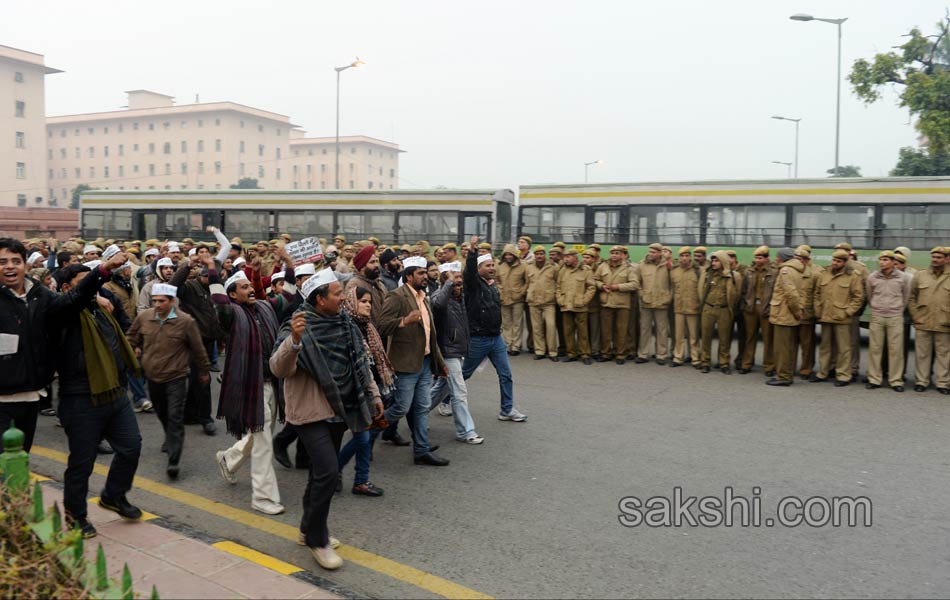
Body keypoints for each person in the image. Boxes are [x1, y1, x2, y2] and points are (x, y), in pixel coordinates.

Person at [271, 270, 384, 570]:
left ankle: (309, 527)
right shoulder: (297, 324)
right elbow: (278, 368)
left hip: (341, 407)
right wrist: (294, 342)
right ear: (319, 299)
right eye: (337, 293)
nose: (343, 297)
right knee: (329, 471)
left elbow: (360, 361)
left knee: (320, 473)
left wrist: (373, 396)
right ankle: (318, 540)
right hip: (309, 412)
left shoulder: (345, 323)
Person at [51, 254, 146, 539]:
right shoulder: (61, 312)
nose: (93, 290)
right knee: (82, 463)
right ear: (68, 288)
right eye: (84, 285)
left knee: (131, 446)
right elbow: (80, 295)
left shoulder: (101, 308)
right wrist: (103, 270)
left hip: (115, 395)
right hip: (80, 399)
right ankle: (75, 516)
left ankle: (114, 496)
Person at [210, 265, 284, 515]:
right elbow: (218, 303)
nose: (251, 289)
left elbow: (291, 297)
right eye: (244, 287)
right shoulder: (231, 314)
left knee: (260, 434)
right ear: (232, 294)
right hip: (251, 387)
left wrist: (286, 264)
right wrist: (212, 270)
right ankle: (262, 497)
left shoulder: (264, 307)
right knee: (264, 442)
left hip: (271, 382)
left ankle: (228, 459)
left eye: (251, 286)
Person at [127, 283, 210, 478]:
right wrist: (133, 348)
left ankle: (174, 460)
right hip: (153, 376)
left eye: (162, 301)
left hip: (177, 376)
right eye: (155, 300)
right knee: (162, 412)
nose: (157, 304)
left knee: (175, 415)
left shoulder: (186, 321)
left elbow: (198, 349)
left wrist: (204, 370)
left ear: (172, 302)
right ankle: (169, 435)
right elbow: (130, 337)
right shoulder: (144, 317)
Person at [378, 256, 450, 465]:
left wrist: (440, 363)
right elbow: (381, 325)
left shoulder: (423, 298)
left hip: (425, 362)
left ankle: (421, 450)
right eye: (420, 273)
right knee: (401, 407)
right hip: (405, 363)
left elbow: (430, 334)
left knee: (421, 407)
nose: (425, 276)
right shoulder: (397, 296)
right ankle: (370, 429)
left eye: (425, 272)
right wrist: (404, 321)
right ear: (408, 276)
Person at [461, 236, 528, 421]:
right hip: (478, 339)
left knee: (506, 374)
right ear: (479, 269)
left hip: (496, 338)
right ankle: (444, 400)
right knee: (464, 374)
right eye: (487, 266)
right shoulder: (473, 286)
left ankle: (507, 410)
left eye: (492, 265)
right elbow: (468, 274)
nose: (492, 268)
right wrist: (473, 251)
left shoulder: (492, 285)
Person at [337, 286, 395, 495]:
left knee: (367, 435)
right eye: (363, 301)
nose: (368, 305)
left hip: (371, 388)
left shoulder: (368, 326)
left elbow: (375, 359)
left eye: (369, 301)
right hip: (354, 392)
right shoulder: (345, 327)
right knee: (362, 437)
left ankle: (359, 479)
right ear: (352, 302)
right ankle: (341, 473)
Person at [430, 262, 483, 444]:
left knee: (441, 388)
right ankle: (465, 431)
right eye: (455, 281)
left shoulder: (459, 298)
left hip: (457, 350)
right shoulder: (440, 295)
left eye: (460, 281)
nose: (459, 284)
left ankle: (416, 413)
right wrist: (449, 283)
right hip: (447, 351)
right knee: (459, 391)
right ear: (446, 281)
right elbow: (437, 305)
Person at [813, 250, 865, 386]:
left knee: (844, 348)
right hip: (825, 316)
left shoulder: (853, 275)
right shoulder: (824, 273)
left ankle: (843, 375)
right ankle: (823, 372)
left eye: (838, 261)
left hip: (842, 318)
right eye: (834, 260)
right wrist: (818, 310)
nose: (835, 263)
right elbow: (817, 294)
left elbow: (858, 297)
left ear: (845, 262)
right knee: (825, 347)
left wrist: (847, 312)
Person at [865, 251, 912, 392]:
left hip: (895, 316)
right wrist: (876, 307)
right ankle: (874, 379)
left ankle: (896, 380)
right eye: (880, 260)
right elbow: (869, 295)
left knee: (895, 349)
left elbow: (906, 297)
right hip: (877, 316)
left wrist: (897, 309)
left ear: (893, 262)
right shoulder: (872, 277)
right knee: (875, 348)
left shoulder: (903, 278)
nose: (882, 262)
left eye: (885, 260)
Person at [909, 247, 950, 394]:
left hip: (944, 322)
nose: (935, 260)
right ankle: (921, 381)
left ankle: (942, 383)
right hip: (923, 321)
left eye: (939, 257)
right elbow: (912, 297)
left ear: (946, 259)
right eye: (933, 257)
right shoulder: (921, 275)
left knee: (944, 355)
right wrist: (916, 316)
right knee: (922, 354)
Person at [766, 248, 805, 387]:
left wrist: (796, 311)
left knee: (782, 348)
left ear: (782, 258)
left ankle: (783, 376)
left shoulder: (785, 271)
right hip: (789, 315)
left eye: (777, 257)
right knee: (789, 347)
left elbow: (791, 294)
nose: (776, 259)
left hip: (784, 315)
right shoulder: (796, 270)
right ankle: (787, 373)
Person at [595, 246, 640, 364]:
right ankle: (606, 353)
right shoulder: (602, 266)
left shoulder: (629, 268)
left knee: (621, 330)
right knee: (606, 330)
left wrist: (618, 287)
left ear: (622, 255)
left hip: (622, 303)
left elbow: (635, 284)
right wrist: (601, 286)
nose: (614, 255)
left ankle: (620, 354)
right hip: (606, 302)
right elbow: (595, 280)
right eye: (612, 253)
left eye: (617, 253)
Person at [698, 251, 741, 374]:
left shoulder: (734, 276)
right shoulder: (707, 274)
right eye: (713, 261)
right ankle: (705, 362)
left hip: (724, 309)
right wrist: (705, 304)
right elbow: (701, 290)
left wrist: (729, 306)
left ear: (723, 261)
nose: (713, 263)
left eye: (716, 261)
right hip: (708, 308)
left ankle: (724, 363)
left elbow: (737, 294)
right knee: (706, 337)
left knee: (724, 339)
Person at [738, 246, 775, 375]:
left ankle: (769, 366)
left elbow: (776, 292)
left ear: (767, 258)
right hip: (751, 308)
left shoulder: (773, 272)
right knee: (750, 337)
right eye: (756, 258)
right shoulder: (749, 272)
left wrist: (771, 307)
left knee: (768, 339)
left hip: (765, 308)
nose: (757, 260)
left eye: (760, 258)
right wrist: (745, 305)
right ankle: (747, 364)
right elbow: (743, 290)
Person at [556, 248, 596, 365]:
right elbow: (558, 287)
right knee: (568, 331)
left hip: (580, 305)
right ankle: (571, 353)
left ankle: (585, 354)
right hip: (566, 304)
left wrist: (584, 300)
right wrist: (560, 299)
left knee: (582, 331)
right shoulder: (563, 270)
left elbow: (591, 287)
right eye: (565, 257)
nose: (565, 259)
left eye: (568, 257)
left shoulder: (585, 270)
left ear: (575, 257)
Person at [636, 243, 672, 365]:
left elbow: (673, 284)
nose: (650, 254)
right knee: (645, 329)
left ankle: (661, 355)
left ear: (660, 253)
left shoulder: (667, 266)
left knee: (662, 330)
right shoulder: (642, 265)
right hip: (646, 302)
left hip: (662, 302)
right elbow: (637, 282)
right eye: (650, 252)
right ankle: (643, 354)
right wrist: (641, 294)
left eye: (653, 252)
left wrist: (669, 296)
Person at [525, 246, 560, 361]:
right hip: (533, 301)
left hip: (548, 301)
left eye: (541, 253)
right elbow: (527, 282)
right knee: (537, 327)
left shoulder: (553, 267)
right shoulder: (529, 267)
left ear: (545, 254)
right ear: (534, 255)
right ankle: (539, 351)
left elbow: (557, 281)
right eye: (537, 254)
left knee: (550, 326)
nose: (539, 256)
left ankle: (552, 352)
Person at [669, 246, 701, 368]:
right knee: (679, 335)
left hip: (693, 307)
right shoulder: (674, 271)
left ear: (690, 257)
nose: (684, 258)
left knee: (693, 336)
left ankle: (695, 358)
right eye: (682, 256)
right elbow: (672, 288)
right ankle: (678, 357)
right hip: (679, 307)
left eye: (687, 255)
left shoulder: (697, 271)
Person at [795, 246, 823, 379]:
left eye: (799, 258)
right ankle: (788, 367)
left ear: (806, 259)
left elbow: (818, 295)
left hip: (807, 314)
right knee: (790, 343)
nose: (797, 261)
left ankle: (806, 369)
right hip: (792, 313)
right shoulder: (791, 270)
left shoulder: (816, 272)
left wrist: (816, 313)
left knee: (807, 344)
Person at [497, 244, 528, 355]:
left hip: (517, 299)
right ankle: (507, 345)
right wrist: (500, 291)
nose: (508, 256)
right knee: (506, 324)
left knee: (517, 323)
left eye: (510, 254)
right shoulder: (500, 266)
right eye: (506, 254)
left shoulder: (523, 266)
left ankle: (516, 346)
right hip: (504, 299)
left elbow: (527, 282)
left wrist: (521, 292)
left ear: (514, 255)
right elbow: (496, 281)